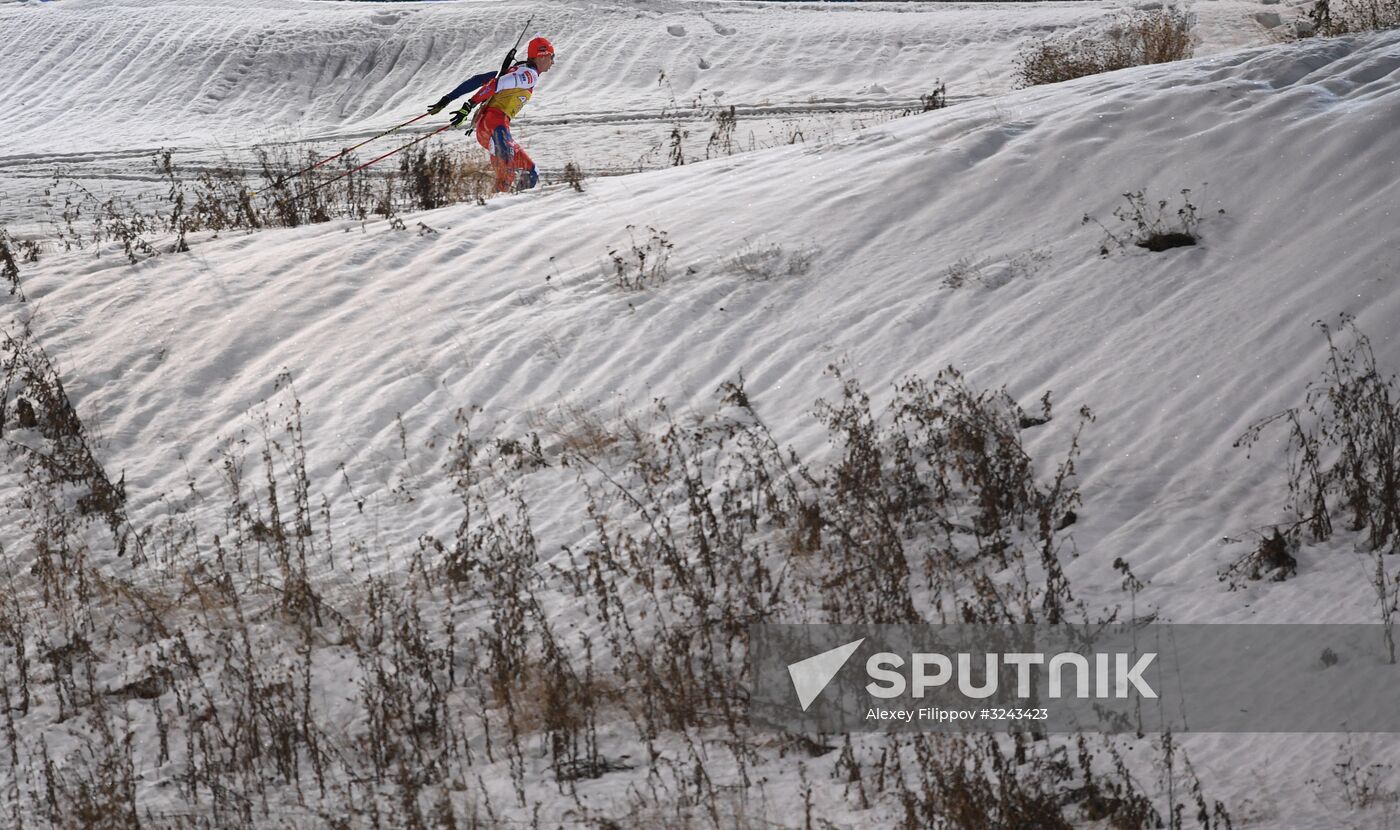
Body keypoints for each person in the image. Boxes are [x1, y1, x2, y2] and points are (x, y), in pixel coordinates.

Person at [425, 37, 556, 193]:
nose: (553, 62)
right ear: (542, 55)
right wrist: (469, 105)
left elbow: (478, 80)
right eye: (552, 56)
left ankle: (505, 205)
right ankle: (494, 208)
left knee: (530, 173)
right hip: (494, 125)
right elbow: (495, 84)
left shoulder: (517, 69)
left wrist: (448, 98)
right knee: (509, 175)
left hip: (491, 127)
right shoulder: (529, 75)